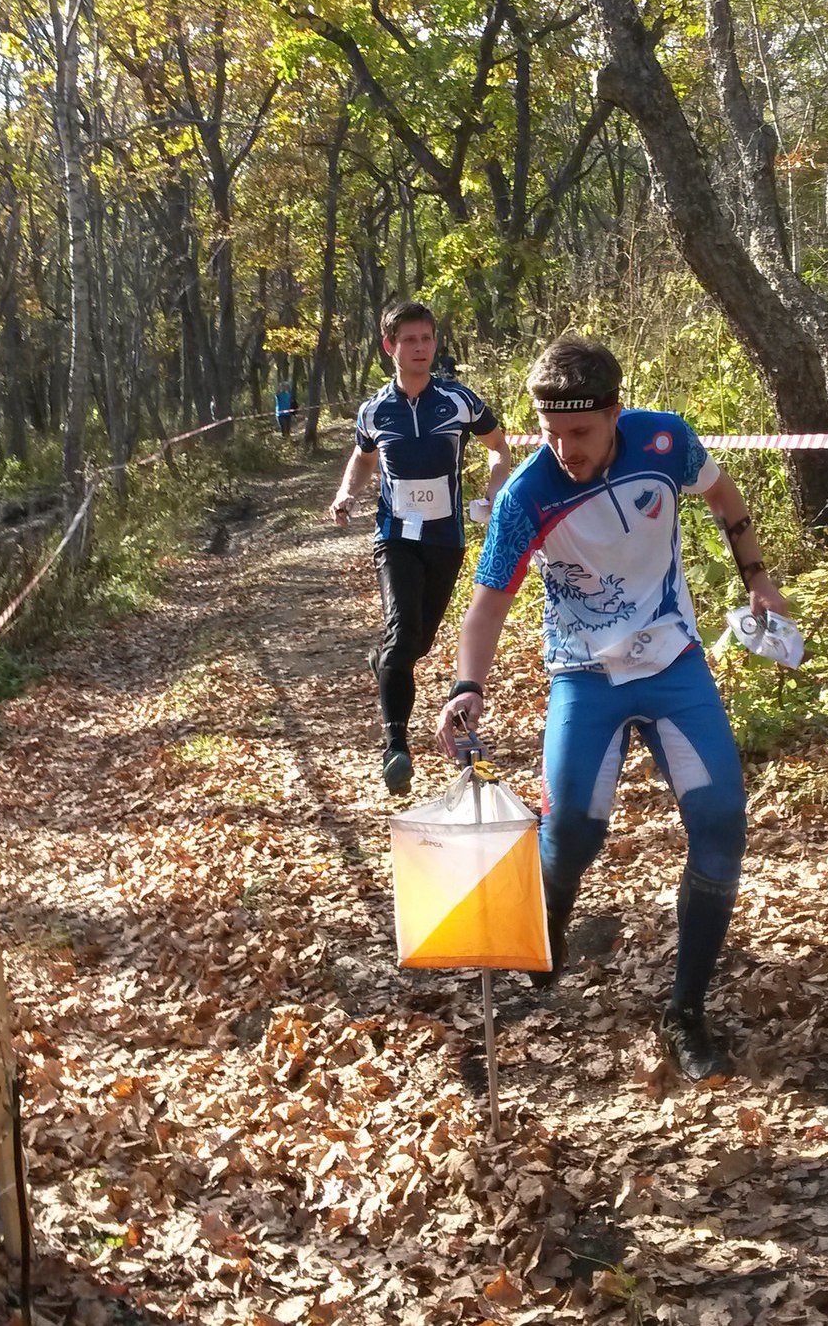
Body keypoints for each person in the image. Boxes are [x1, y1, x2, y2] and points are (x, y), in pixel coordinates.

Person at [434, 336, 788, 1081]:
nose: (564, 449)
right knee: (571, 833)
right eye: (549, 431)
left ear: (615, 414)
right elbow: (488, 605)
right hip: (583, 677)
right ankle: (552, 922)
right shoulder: (529, 492)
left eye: (581, 433)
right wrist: (467, 686)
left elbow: (725, 499)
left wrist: (756, 577)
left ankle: (685, 1013)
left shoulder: (665, 440)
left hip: (671, 663)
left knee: (722, 822)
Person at [331, 301, 511, 794]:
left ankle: (384, 659)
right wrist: (348, 491)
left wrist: (498, 488)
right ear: (390, 347)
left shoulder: (459, 401)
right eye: (409, 340)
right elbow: (364, 458)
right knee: (402, 629)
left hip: (444, 537)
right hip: (394, 535)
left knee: (417, 642)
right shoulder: (374, 410)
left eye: (427, 339)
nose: (420, 349)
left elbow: (499, 446)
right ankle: (396, 746)